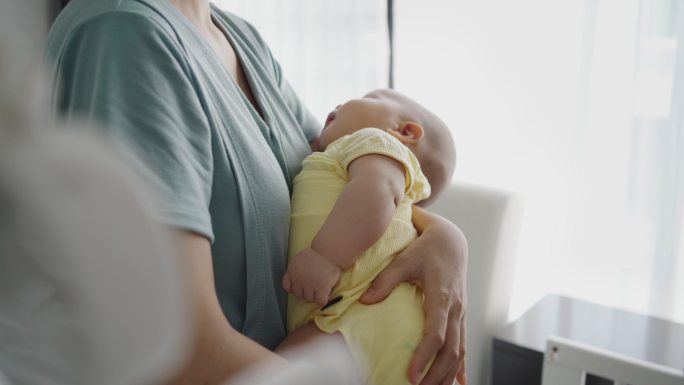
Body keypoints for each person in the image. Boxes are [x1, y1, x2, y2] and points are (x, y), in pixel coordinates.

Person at [45, 1, 468, 384]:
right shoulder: (125, 37)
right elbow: (176, 348)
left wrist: (444, 236)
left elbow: (331, 166)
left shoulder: (238, 38)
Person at [279, 88, 457, 385]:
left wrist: (325, 258)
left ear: (405, 131)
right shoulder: (342, 158)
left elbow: (377, 193)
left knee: (272, 372)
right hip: (361, 314)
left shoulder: (375, 142)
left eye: (369, 97)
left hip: (363, 310)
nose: (339, 101)